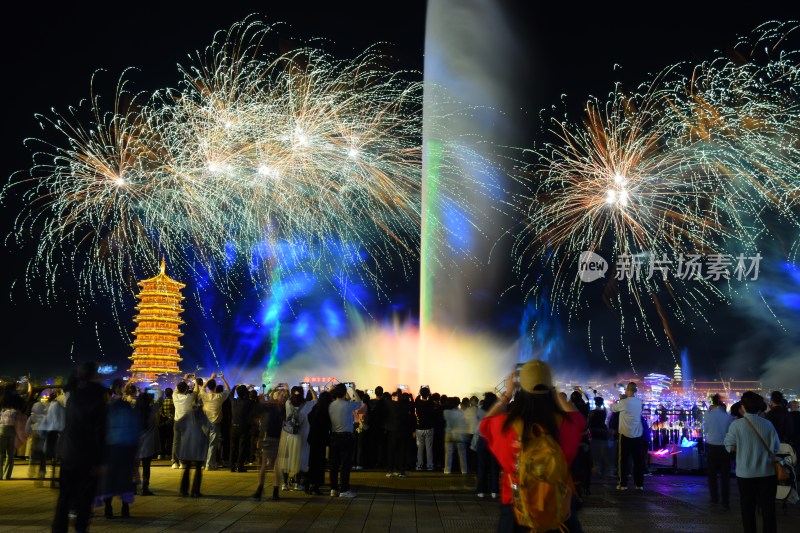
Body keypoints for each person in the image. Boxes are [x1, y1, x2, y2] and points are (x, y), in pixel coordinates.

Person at [481, 360, 584, 533]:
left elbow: (485, 424)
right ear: (550, 388)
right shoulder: (569, 424)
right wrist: (555, 393)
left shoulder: (504, 426)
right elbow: (577, 417)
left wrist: (507, 393)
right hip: (559, 511)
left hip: (516, 510)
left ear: (521, 389)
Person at [51, 363, 108, 533]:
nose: (100, 376)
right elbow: (99, 431)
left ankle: (58, 529)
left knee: (64, 498)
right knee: (85, 500)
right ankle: (80, 529)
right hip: (87, 456)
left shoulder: (72, 396)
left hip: (68, 452)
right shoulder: (96, 398)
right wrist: (100, 461)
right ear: (92, 376)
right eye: (97, 373)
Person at [724, 391, 780, 533]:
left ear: (743, 406)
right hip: (767, 473)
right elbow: (776, 447)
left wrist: (742, 447)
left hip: (745, 474)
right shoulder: (768, 424)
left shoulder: (736, 425)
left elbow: (729, 446)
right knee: (768, 510)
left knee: (747, 509)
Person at [96, 378, 139, 519]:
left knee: (109, 478)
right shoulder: (127, 407)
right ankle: (125, 508)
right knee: (125, 477)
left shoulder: (106, 408)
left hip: (110, 448)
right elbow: (134, 428)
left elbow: (101, 429)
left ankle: (108, 508)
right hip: (126, 447)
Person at [276, 385, 317, 491]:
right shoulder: (307, 405)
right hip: (301, 436)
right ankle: (297, 484)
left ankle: (284, 484)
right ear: (303, 393)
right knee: (298, 460)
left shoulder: (288, 403)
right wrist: (312, 390)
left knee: (286, 459)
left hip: (288, 435)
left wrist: (286, 390)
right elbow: (316, 400)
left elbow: (287, 398)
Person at [328, 383, 364, 497]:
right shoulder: (348, 405)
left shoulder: (330, 405)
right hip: (346, 437)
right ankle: (344, 489)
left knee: (333, 465)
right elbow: (360, 402)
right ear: (345, 393)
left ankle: (333, 489)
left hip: (333, 437)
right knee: (345, 465)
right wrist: (353, 388)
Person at [253, 388, 287, 500]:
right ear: (276, 396)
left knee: (276, 465)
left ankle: (275, 490)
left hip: (279, 438)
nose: (283, 397)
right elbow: (259, 401)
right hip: (268, 437)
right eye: (282, 395)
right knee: (264, 464)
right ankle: (260, 488)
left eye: (285, 396)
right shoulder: (270, 407)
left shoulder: (285, 408)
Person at [611, 382, 645, 491]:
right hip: (638, 434)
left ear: (628, 390)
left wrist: (621, 400)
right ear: (635, 391)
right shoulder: (640, 402)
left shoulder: (623, 402)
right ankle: (639, 484)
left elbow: (613, 408)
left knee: (623, 460)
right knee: (638, 460)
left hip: (625, 434)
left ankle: (623, 484)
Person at [703, 394, 732, 509]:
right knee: (725, 475)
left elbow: (705, 430)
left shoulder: (708, 415)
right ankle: (725, 501)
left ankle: (714, 498)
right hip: (724, 447)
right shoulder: (727, 416)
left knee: (712, 474)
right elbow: (729, 432)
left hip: (712, 446)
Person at [176, 405, 210, 497]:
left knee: (187, 467)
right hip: (199, 444)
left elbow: (178, 424)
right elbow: (208, 427)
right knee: (198, 468)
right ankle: (195, 491)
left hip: (188, 443)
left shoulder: (188, 414)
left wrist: (185, 433)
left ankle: (183, 490)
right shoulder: (202, 415)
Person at [197, 372, 230, 470]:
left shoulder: (204, 395)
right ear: (215, 387)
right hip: (215, 423)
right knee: (212, 445)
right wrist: (223, 379)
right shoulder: (219, 397)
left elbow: (202, 388)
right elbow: (228, 389)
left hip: (204, 423)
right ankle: (209, 464)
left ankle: (204, 464)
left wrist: (210, 378)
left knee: (205, 444)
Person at [306, 390, 332, 495]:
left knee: (312, 461)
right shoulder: (327, 410)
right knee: (320, 462)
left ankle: (309, 484)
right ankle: (316, 485)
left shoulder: (316, 407)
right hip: (322, 439)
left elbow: (309, 417)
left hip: (313, 437)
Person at [474, 392, 500, 498]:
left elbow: (476, 426)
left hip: (482, 439)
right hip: (494, 441)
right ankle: (494, 491)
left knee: (481, 466)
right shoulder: (499, 410)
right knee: (494, 467)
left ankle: (481, 491)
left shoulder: (480, 411)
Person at [135, 392, 160, 496]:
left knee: (135, 467)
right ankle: (145, 488)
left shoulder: (134, 412)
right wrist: (157, 390)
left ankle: (133, 487)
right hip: (148, 444)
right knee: (146, 466)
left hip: (136, 443)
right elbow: (160, 401)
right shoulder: (151, 410)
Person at [171, 378, 197, 468]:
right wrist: (195, 379)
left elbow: (176, 389)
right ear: (186, 389)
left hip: (177, 421)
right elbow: (196, 390)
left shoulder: (175, 396)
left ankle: (175, 462)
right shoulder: (188, 398)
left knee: (176, 442)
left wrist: (184, 379)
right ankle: (183, 462)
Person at [230, 384, 255, 473]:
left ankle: (232, 467)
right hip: (243, 427)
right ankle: (240, 467)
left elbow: (231, 394)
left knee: (233, 447)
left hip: (233, 426)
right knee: (242, 447)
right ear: (245, 393)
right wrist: (247, 389)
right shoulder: (247, 402)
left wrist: (235, 387)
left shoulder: (233, 401)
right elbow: (251, 399)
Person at [588, 397, 611, 478]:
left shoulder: (592, 412)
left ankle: (597, 470)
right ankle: (606, 471)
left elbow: (589, 423)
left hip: (595, 435)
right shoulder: (604, 412)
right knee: (603, 454)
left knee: (595, 454)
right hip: (603, 435)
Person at [414, 386, 435, 471]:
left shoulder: (418, 402)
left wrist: (420, 392)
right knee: (429, 448)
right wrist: (429, 392)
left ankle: (419, 465)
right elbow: (431, 397)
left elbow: (417, 398)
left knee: (420, 448)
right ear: (428, 394)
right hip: (429, 428)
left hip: (419, 428)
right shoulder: (431, 403)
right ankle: (430, 465)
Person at [158, 387, 175, 460]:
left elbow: (160, 412)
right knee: (170, 438)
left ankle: (161, 454)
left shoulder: (162, 401)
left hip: (164, 422)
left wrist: (164, 416)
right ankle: (169, 453)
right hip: (171, 422)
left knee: (163, 439)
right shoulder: (174, 401)